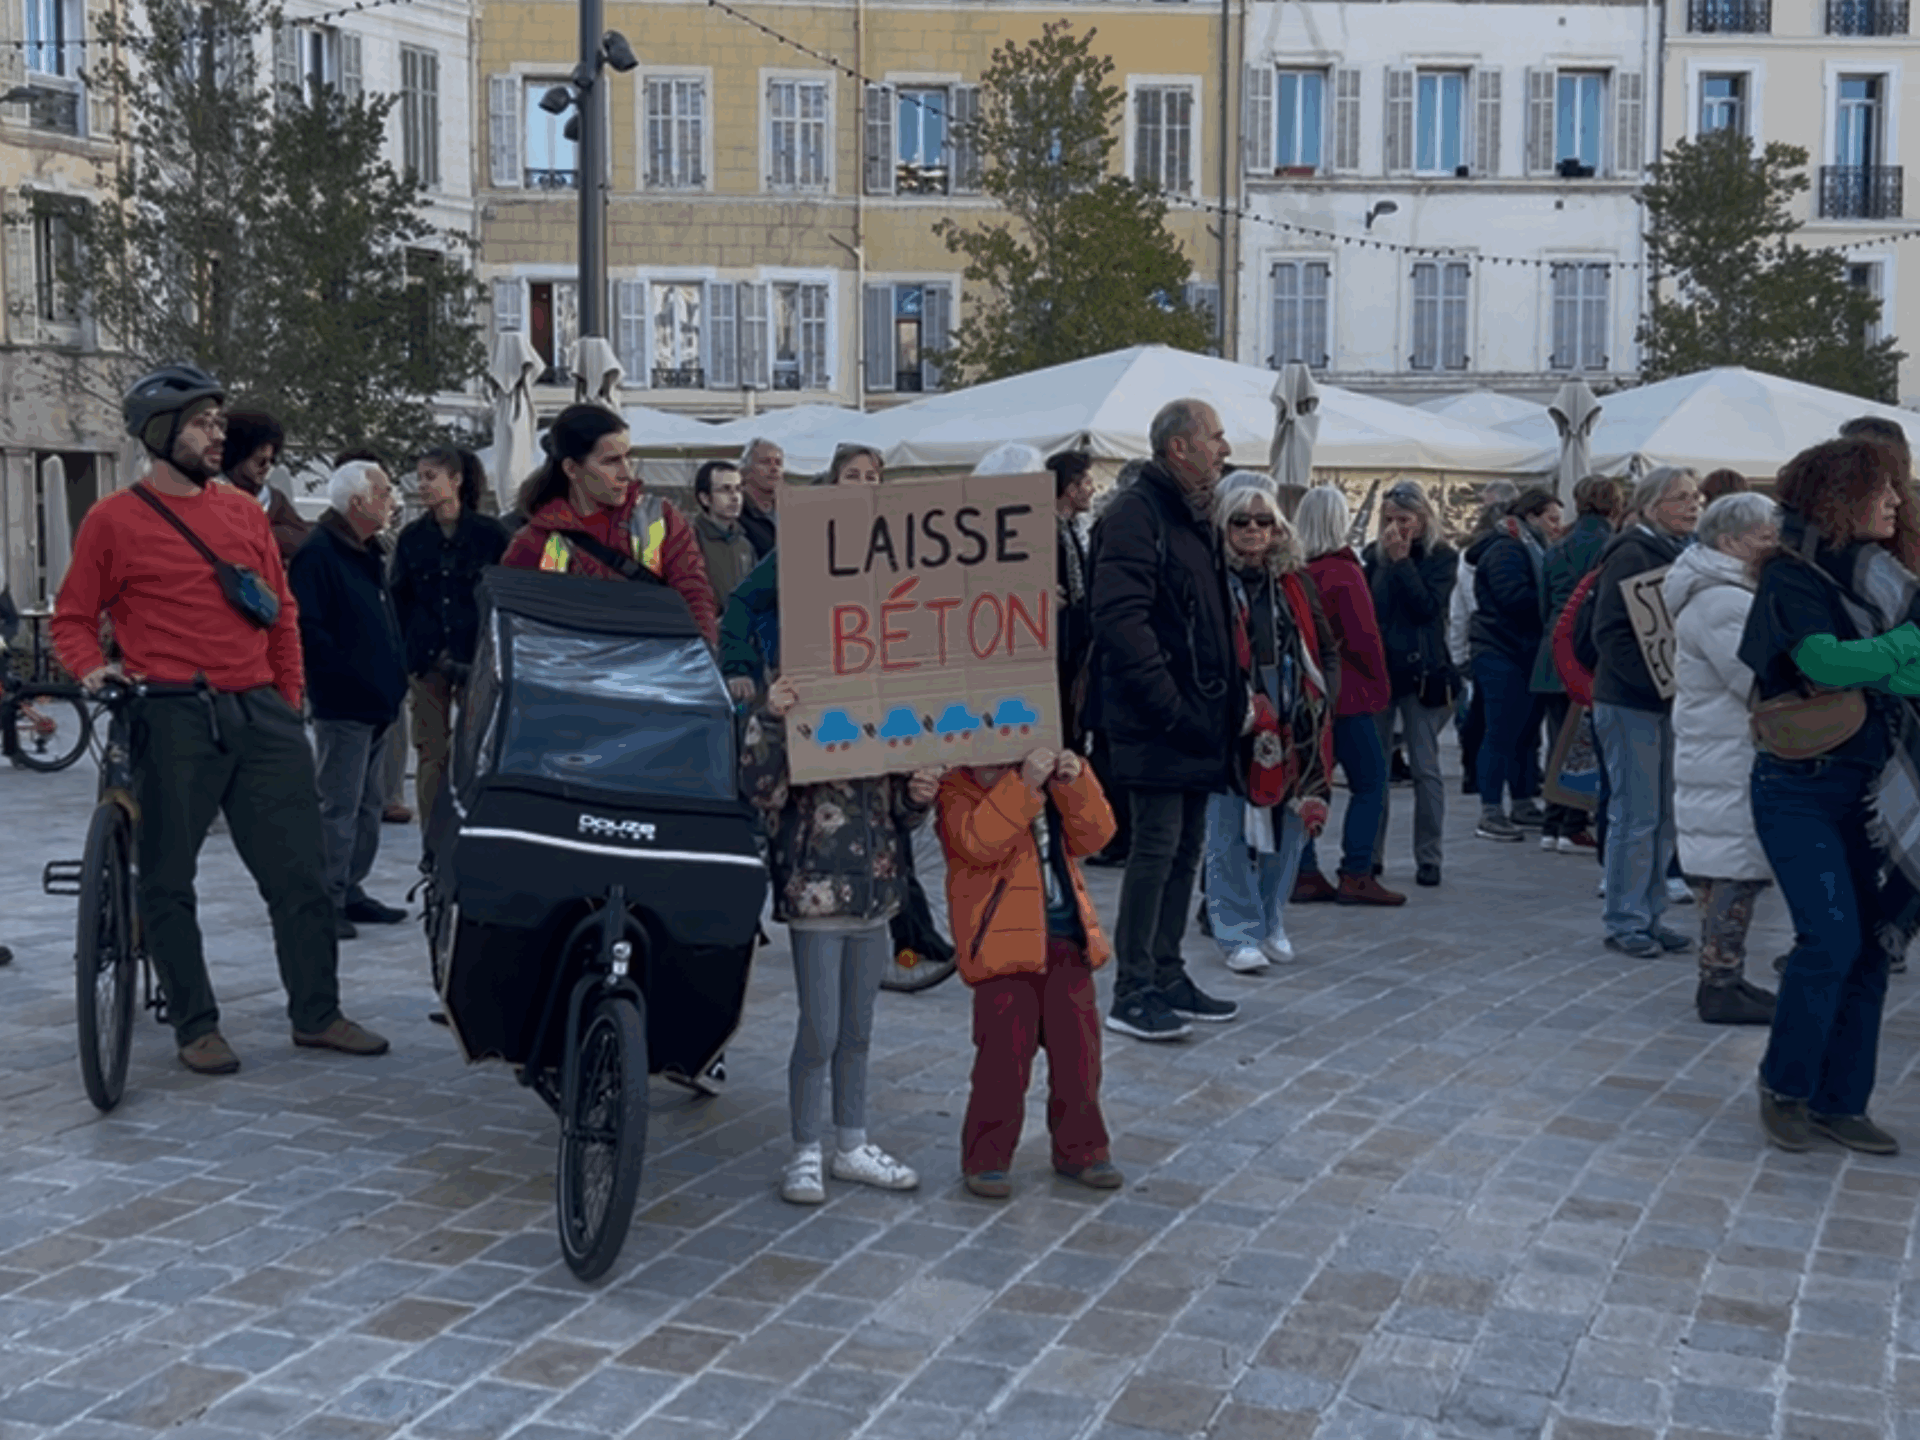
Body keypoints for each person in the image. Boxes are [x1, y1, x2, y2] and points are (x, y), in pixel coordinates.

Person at [53, 364, 388, 1073]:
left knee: (300, 874)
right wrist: (90, 668)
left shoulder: (242, 512)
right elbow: (74, 617)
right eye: (202, 424)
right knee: (167, 877)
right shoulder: (112, 519)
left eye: (219, 422)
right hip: (170, 709)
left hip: (260, 710)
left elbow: (281, 611)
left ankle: (317, 1013)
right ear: (160, 432)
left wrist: (286, 697)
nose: (217, 435)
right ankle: (195, 1024)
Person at [1740, 434, 1920, 1155]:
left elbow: (1890, 674)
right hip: (1799, 787)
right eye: (1883, 489)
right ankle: (1784, 1088)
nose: (1897, 500)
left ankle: (1842, 1103)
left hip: (1877, 787)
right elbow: (1823, 661)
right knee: (1830, 937)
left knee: (1871, 949)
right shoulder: (1791, 575)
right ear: (1841, 497)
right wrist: (1903, 646)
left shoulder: (1892, 581)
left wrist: (1881, 661)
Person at [743, 670, 939, 1203]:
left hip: (874, 898)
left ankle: (851, 1143)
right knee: (819, 1029)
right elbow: (759, 789)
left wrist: (918, 796)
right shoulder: (795, 698)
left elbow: (900, 810)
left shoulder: (884, 701)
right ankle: (805, 1149)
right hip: (817, 896)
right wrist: (771, 719)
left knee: (857, 1029)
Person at [1084, 399, 1245, 1041]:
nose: (1225, 448)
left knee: (1185, 848)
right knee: (1155, 848)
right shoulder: (1136, 513)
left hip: (1198, 715)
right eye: (1216, 437)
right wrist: (1169, 704)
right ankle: (1134, 989)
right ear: (1180, 447)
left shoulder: (1193, 514)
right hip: (1158, 717)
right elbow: (1121, 619)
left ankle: (1168, 972)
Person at [937, 745, 1122, 1198]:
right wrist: (1021, 785)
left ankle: (1083, 1150)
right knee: (1002, 1061)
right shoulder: (956, 787)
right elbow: (978, 843)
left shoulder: (1047, 775)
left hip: (1065, 938)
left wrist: (1075, 781)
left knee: (1080, 1057)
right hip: (1001, 946)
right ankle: (986, 1159)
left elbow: (1096, 836)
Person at [1204, 476, 1334, 969]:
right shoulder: (1211, 582)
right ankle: (1236, 931)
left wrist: (1321, 701)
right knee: (1228, 828)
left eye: (1264, 520)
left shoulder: (1293, 583)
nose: (1253, 529)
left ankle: (1270, 918)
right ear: (1224, 526)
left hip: (1293, 717)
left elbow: (1326, 647)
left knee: (1290, 824)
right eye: (1241, 520)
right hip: (1233, 717)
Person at [1665, 493, 1780, 1027]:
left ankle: (1724, 977)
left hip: (1720, 749)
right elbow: (1754, 678)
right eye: (1764, 536)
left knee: (1728, 867)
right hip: (1726, 752)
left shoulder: (1721, 592)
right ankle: (1720, 983)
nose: (1773, 545)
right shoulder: (1723, 602)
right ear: (1729, 541)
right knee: (1731, 868)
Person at [289, 460, 410, 940]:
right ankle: (326, 898)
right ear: (357, 502)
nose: (391, 500)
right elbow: (310, 630)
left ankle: (351, 887)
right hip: (345, 703)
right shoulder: (319, 553)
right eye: (384, 492)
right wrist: (347, 678)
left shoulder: (368, 551)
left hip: (378, 699)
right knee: (338, 805)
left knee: (368, 804)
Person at [1591, 466, 1701, 957]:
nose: (1692, 505)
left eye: (1695, 497)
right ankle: (1626, 920)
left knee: (1663, 815)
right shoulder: (1632, 553)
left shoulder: (1681, 552)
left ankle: (1651, 915)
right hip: (1630, 701)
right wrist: (1657, 681)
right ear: (1653, 505)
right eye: (1681, 498)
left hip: (1664, 700)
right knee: (1636, 814)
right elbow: (1611, 633)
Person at [501, 405, 718, 645]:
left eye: (628, 457)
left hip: (657, 664)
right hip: (573, 667)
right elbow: (516, 628)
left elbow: (695, 595)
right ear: (571, 468)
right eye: (612, 461)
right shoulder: (533, 541)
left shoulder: (661, 517)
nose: (627, 473)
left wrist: (702, 653)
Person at [389, 446, 509, 836]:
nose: (422, 485)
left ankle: (473, 831)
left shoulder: (490, 535)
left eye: (430, 477)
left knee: (476, 751)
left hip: (476, 656)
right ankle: (432, 839)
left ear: (455, 480)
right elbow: (399, 598)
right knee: (430, 752)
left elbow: (504, 595)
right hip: (426, 659)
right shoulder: (412, 538)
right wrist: (406, 652)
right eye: (420, 477)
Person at [1289, 486, 1401, 904]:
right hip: (1351, 693)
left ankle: (1302, 867)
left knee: (1308, 782)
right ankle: (1356, 871)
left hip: (1310, 693)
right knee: (1370, 782)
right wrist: (1379, 688)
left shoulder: (1298, 573)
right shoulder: (1344, 572)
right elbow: (1363, 638)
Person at [719, 443, 883, 704]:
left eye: (871, 477)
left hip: (878, 675)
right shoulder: (805, 541)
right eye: (852, 476)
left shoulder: (904, 544)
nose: (863, 484)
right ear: (834, 484)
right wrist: (737, 667)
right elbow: (743, 600)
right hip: (812, 680)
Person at [1362, 480, 1456, 888]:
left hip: (1423, 674)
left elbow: (1427, 608)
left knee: (1424, 767)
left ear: (1422, 518)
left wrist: (1402, 563)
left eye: (1405, 519)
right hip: (1382, 671)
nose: (1397, 527)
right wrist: (1388, 562)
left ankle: (1429, 856)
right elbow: (1372, 608)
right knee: (1376, 769)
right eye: (1390, 519)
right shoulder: (1373, 556)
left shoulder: (1442, 557)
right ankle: (1371, 855)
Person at [1532, 475, 1624, 852]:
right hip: (1589, 648)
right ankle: (1572, 822)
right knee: (1586, 741)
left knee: (1557, 739)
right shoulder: (1613, 545)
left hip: (1552, 645)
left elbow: (1542, 602)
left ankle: (1551, 825)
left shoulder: (1556, 545)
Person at [1464, 488, 1562, 842]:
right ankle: (1491, 810)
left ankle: (1522, 802)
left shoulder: (1529, 547)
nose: (1557, 526)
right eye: (1552, 518)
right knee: (1501, 731)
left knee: (1525, 732)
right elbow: (1513, 599)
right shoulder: (1507, 549)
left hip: (1520, 650)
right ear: (1531, 517)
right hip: (1501, 649)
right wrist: (1553, 600)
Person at [1448, 480, 1520, 795]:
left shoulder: (1468, 555)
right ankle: (1500, 778)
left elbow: (1460, 610)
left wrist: (1458, 652)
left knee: (1477, 712)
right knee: (1501, 718)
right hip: (1504, 642)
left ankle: (1473, 772)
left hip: (1479, 642)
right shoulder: (1515, 552)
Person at [1048, 451, 1095, 750]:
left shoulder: (1068, 529)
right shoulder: (1046, 531)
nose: (1093, 489)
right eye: (1088, 482)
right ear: (1071, 488)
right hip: (1058, 647)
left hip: (1073, 640)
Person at [220, 410, 311, 562]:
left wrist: (258, 535)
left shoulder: (274, 498)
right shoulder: (210, 493)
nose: (268, 467)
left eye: (272, 461)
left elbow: (301, 538)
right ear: (237, 457)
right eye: (261, 461)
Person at [691, 459, 757, 613]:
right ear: (705, 498)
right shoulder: (689, 540)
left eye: (738, 489)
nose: (735, 497)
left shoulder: (745, 545)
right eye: (725, 489)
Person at [737, 438, 783, 559]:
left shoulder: (790, 512)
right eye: (765, 462)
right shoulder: (734, 514)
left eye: (779, 463)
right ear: (745, 471)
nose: (774, 468)